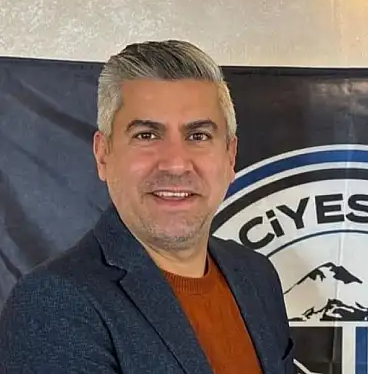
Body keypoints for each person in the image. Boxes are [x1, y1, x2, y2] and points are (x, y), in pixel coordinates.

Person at [0, 40, 295, 373]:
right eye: (147, 135)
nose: (176, 164)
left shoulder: (257, 276)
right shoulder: (54, 304)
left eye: (198, 136)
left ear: (230, 157)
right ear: (103, 154)